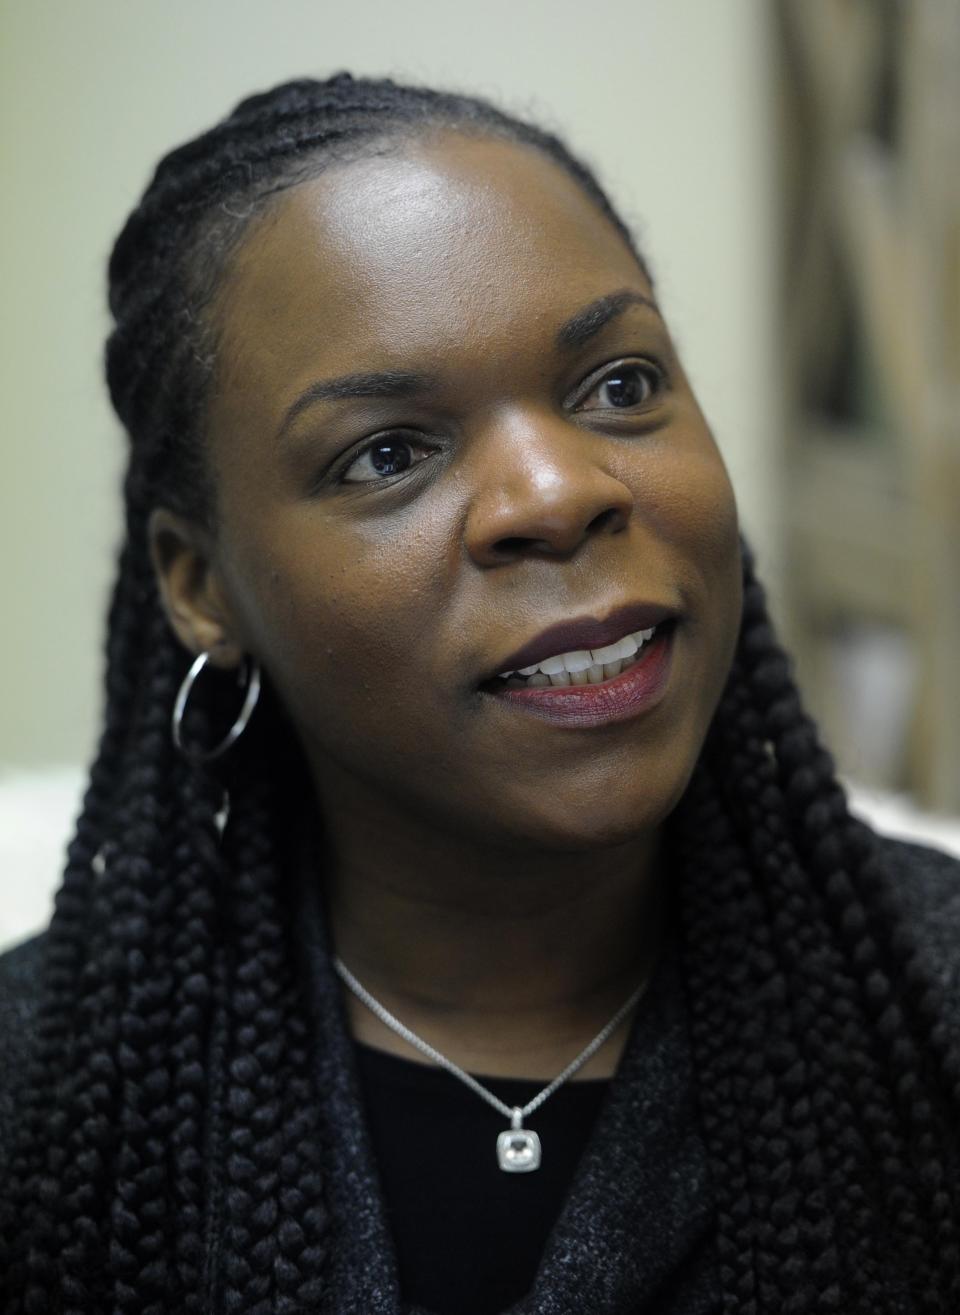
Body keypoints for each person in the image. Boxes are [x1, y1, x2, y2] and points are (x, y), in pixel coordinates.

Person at [0, 73, 958, 1315]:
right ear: (202, 588)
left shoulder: (930, 1016)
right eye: (388, 452)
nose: (558, 493)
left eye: (619, 385)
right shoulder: (46, 1108)